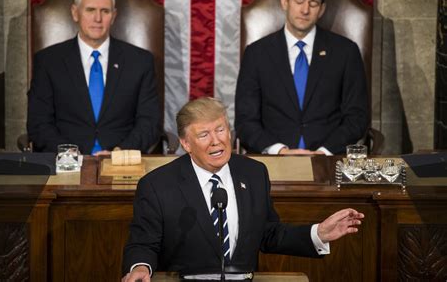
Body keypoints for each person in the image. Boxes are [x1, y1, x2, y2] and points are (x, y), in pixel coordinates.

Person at [121, 97, 364, 281]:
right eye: (204, 134)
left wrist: (318, 233)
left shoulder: (254, 173)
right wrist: (140, 267)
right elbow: (143, 243)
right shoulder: (157, 185)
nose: (216, 141)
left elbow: (269, 234)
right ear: (186, 143)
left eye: (220, 129)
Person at [235, 0, 369, 155]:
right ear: (285, 2)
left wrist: (324, 152)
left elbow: (357, 118)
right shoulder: (256, 54)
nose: (305, 10)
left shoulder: (345, 52)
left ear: (321, 9)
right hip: (274, 162)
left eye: (313, 3)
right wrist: (279, 150)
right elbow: (245, 120)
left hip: (329, 160)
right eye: (299, 1)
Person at [27, 0, 161, 155]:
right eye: (90, 10)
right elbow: (39, 122)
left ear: (113, 16)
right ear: (75, 13)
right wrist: (69, 154)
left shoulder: (140, 61)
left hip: (121, 161)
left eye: (104, 11)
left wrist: (120, 152)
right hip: (65, 162)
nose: (97, 18)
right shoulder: (48, 61)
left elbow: (149, 122)